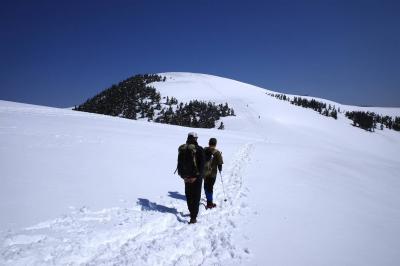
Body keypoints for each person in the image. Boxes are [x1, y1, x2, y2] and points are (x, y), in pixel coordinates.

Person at [177, 132, 205, 224]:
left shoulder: (183, 149)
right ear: (195, 138)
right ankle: (193, 217)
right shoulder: (199, 149)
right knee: (196, 196)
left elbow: (179, 164)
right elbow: (202, 165)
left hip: (186, 176)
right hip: (196, 177)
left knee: (189, 195)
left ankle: (191, 211)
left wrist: (183, 176)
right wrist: (198, 176)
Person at [203, 138, 223, 209]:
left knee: (206, 186)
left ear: (209, 143)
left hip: (204, 172)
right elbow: (220, 163)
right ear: (215, 144)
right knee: (210, 187)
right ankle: (210, 203)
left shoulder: (204, 149)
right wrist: (220, 169)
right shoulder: (217, 152)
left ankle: (208, 198)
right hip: (212, 173)